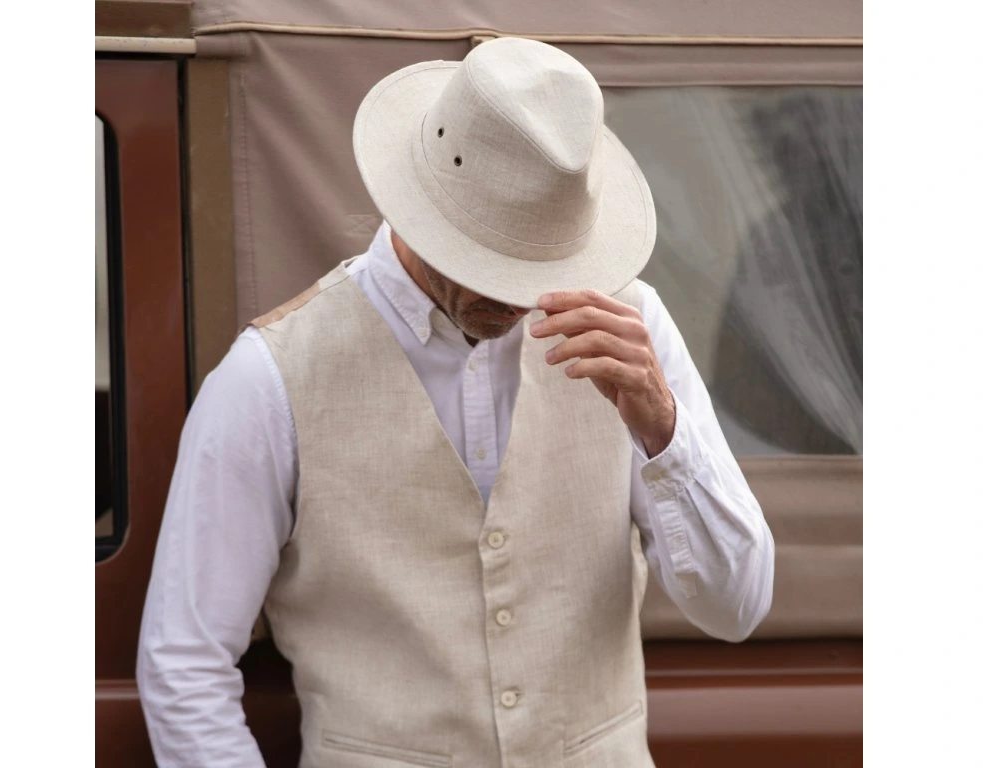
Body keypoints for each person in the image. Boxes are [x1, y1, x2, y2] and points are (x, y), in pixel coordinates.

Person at [137, 37, 774, 768]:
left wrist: (664, 431)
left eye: (538, 261)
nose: (518, 295)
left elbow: (736, 608)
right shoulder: (270, 374)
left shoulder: (635, 330)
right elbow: (185, 663)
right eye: (491, 259)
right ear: (416, 206)